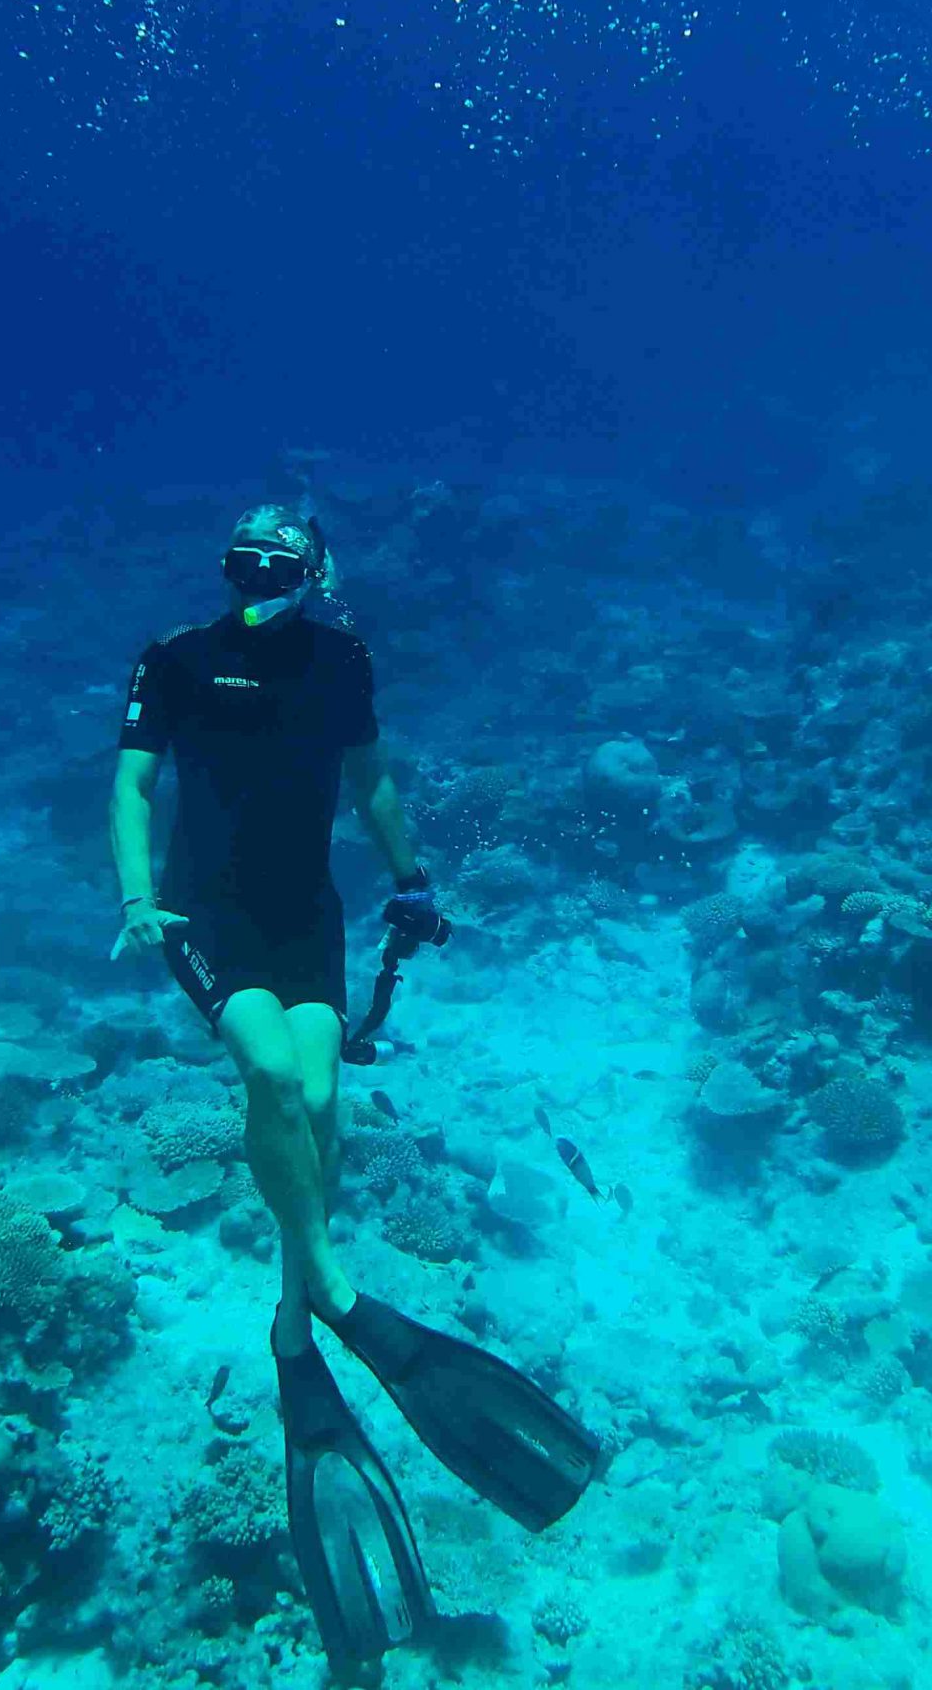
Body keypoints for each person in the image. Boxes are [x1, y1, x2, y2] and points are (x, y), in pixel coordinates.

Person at [108, 503, 598, 1670]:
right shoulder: (174, 659)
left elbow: (371, 783)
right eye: (243, 565)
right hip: (203, 914)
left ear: (319, 575)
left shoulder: (343, 660)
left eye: (280, 565)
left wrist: (413, 877)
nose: (259, 582)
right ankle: (328, 1285)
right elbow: (133, 789)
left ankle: (291, 1323)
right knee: (269, 1069)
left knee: (320, 1102)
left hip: (307, 915)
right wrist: (137, 897)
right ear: (226, 572)